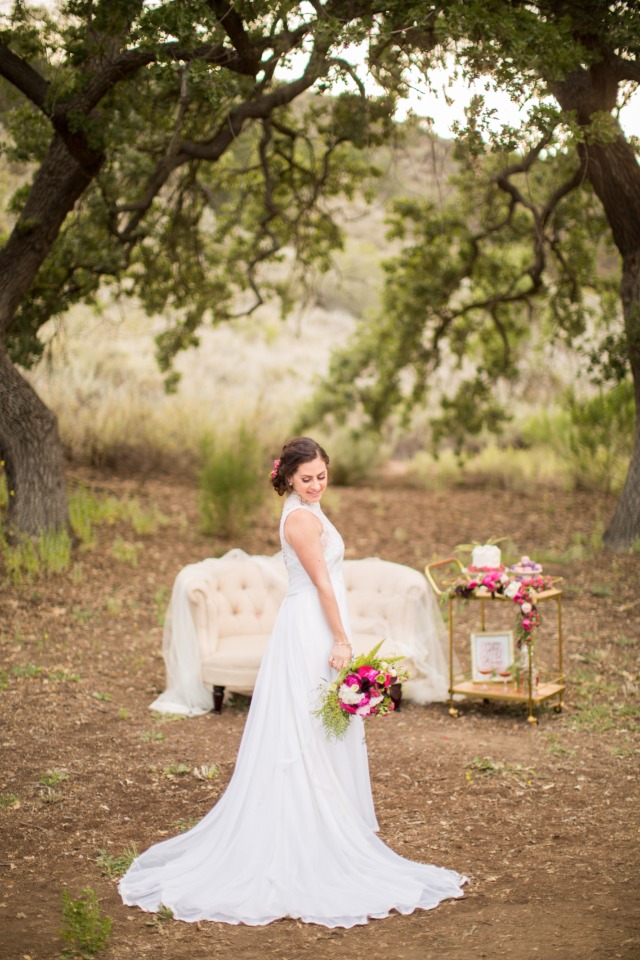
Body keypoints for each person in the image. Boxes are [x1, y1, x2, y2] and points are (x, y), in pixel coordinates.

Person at [119, 436, 467, 926]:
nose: (317, 485)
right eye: (308, 478)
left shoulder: (306, 508)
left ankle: (328, 823)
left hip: (315, 620)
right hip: (311, 627)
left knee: (323, 724)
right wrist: (343, 638)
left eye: (323, 476)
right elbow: (322, 582)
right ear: (287, 477)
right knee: (307, 724)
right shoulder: (301, 518)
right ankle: (306, 831)